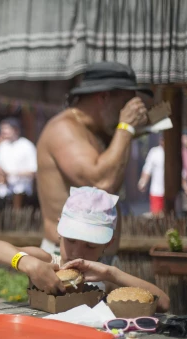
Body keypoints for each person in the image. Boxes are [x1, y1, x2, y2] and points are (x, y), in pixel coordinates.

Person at [0, 186, 170, 311]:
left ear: (108, 243)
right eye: (71, 240)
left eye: (90, 245)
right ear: (59, 230)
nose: (78, 251)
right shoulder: (46, 262)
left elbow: (163, 302)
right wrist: (25, 261)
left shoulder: (105, 277)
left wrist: (112, 274)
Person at [37, 61, 150, 260]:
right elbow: (101, 183)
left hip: (96, 259)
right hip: (66, 259)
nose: (131, 111)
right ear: (104, 97)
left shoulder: (94, 132)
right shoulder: (64, 129)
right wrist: (126, 127)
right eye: (127, 104)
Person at [0, 117, 37, 209]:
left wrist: (12, 174)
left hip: (21, 191)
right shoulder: (2, 146)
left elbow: (34, 170)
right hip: (4, 193)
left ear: (16, 130)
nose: (4, 133)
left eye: (7, 130)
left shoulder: (27, 146)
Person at [138, 137, 165, 216]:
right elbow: (147, 169)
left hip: (171, 192)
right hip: (157, 191)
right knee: (156, 217)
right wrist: (142, 182)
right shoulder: (155, 152)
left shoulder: (173, 153)